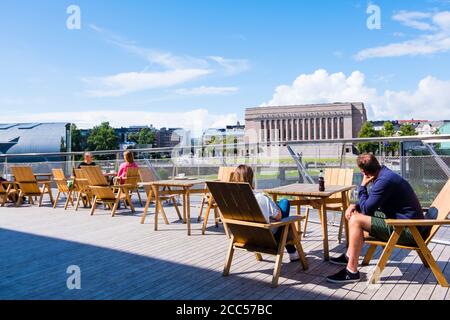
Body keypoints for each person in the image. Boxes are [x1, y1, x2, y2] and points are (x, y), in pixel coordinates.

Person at [326, 153, 427, 284]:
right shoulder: (385, 174)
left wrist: (362, 186)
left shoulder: (384, 181)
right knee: (356, 214)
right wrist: (355, 205)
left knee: (356, 220)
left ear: (363, 171)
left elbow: (368, 209)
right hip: (406, 224)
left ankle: (351, 271)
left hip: (409, 231)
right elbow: (373, 202)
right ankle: (349, 256)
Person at [231, 164, 300, 262]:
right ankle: (292, 252)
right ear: (251, 178)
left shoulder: (231, 199)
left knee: (276, 208)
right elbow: (278, 217)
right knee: (284, 204)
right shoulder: (261, 198)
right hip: (267, 239)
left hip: (244, 238)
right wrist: (271, 204)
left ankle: (293, 252)